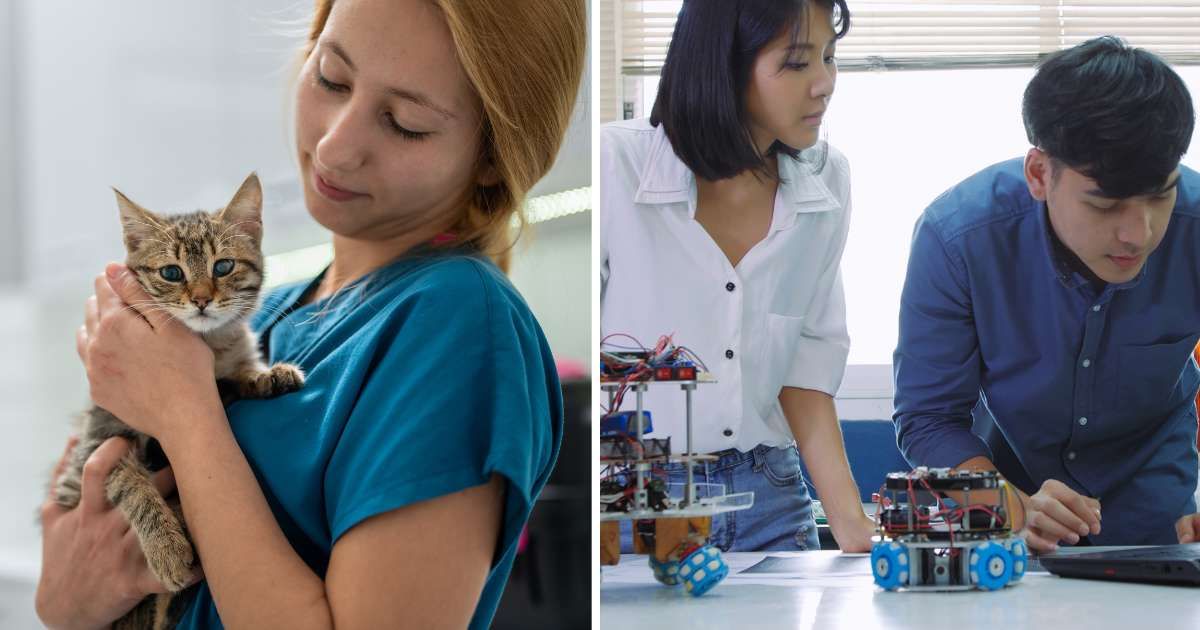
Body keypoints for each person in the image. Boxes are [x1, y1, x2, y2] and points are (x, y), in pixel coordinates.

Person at [35, 0, 586, 628]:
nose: (335, 145)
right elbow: (65, 585)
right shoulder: (261, 316)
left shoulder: (457, 324)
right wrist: (69, 597)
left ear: (491, 155)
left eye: (404, 121)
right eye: (331, 76)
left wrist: (182, 410)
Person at [893, 36, 1200, 553]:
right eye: (1106, 205)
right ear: (1040, 173)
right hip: (1010, 515)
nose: (1139, 232)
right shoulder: (957, 238)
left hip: (1159, 522)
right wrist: (1006, 507)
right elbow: (927, 418)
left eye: (1159, 196)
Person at [600, 0, 875, 553]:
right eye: (796, 63)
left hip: (770, 497)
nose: (824, 83)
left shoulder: (828, 182)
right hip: (631, 502)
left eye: (829, 56)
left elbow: (805, 372)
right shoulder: (614, 165)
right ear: (723, 64)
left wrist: (853, 527)